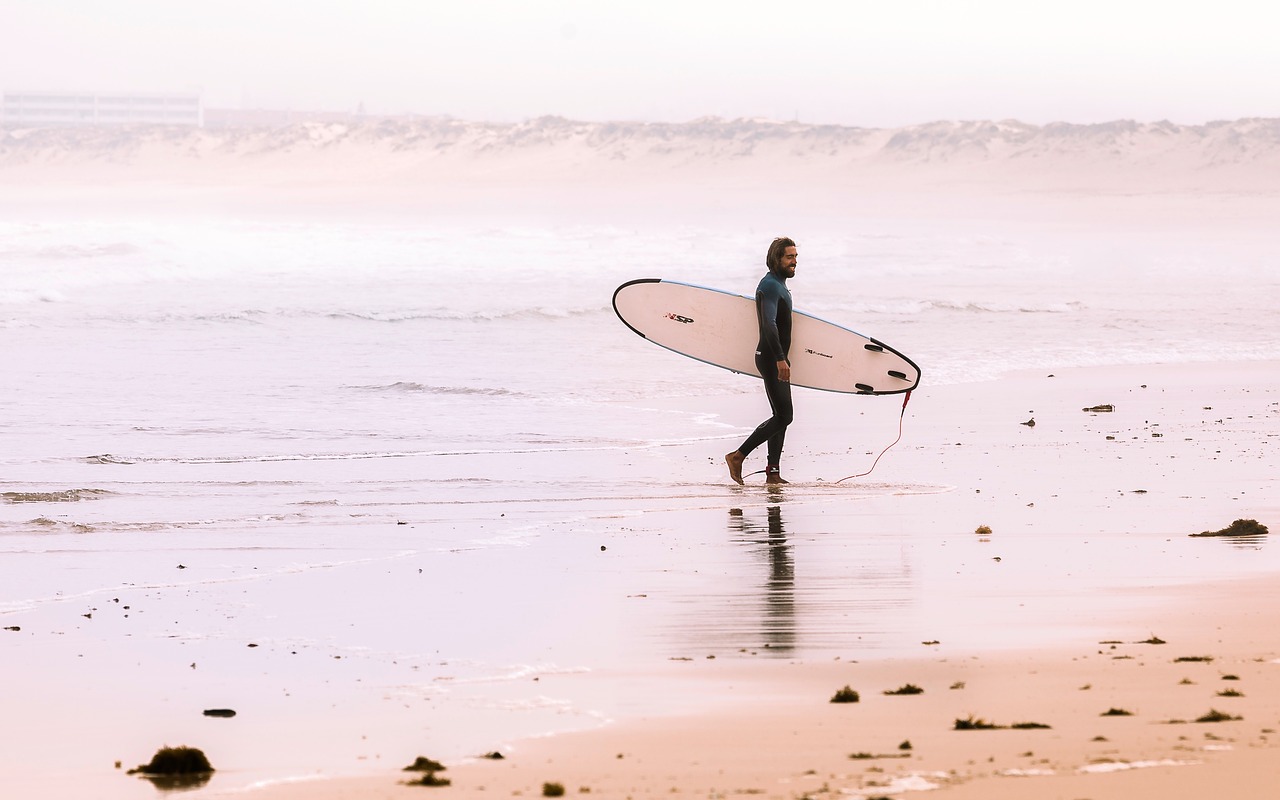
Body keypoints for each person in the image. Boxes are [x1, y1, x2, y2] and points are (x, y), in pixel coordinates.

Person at [726, 237, 796, 485]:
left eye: (796, 257)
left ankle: (773, 473)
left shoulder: (779, 285)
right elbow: (769, 324)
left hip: (777, 357)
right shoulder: (769, 286)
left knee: (780, 414)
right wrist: (779, 359)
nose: (794, 262)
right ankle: (738, 456)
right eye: (789, 257)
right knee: (784, 416)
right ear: (776, 258)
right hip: (770, 358)